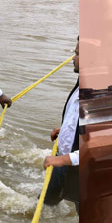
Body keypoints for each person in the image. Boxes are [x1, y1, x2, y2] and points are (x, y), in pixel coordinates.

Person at [43, 39, 80, 211]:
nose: (73, 58)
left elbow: (98, 148)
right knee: (44, 205)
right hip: (64, 160)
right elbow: (76, 114)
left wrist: (62, 160)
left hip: (74, 165)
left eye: (78, 54)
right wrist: (65, 130)